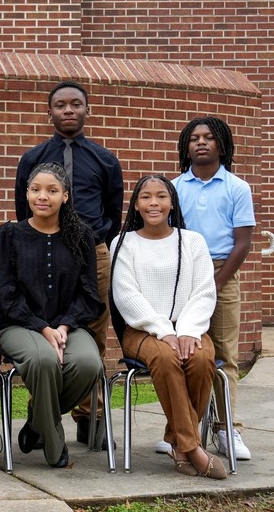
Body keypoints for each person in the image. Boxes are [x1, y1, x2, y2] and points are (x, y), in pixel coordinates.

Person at [14, 81, 123, 449]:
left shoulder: (105, 159)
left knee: (91, 333)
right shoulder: (33, 159)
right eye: (60, 105)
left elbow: (113, 212)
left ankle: (87, 416)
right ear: (50, 113)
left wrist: (94, 237)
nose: (68, 110)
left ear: (87, 110)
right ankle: (42, 412)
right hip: (42, 251)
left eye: (76, 104)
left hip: (91, 255)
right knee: (44, 335)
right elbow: (22, 208)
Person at [110, 175, 226, 479]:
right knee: (165, 356)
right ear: (136, 205)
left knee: (201, 358)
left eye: (161, 196)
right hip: (142, 330)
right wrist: (165, 331)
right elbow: (127, 296)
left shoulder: (193, 241)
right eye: (146, 197)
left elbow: (204, 291)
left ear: (171, 202)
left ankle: (177, 443)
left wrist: (187, 330)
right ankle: (193, 448)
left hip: (191, 326)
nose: (154, 203)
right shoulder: (124, 244)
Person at [0, 162, 103, 468]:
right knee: (43, 360)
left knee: (88, 362)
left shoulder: (81, 235)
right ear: (27, 194)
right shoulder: (9, 235)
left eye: (52, 191)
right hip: (20, 325)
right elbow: (7, 296)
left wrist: (65, 327)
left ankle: (37, 423)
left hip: (70, 324)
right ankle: (54, 447)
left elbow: (89, 295)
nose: (43, 196)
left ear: (65, 196)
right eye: (35, 190)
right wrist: (44, 329)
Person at [171, 116, 255, 461]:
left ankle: (226, 429)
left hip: (222, 271)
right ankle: (181, 430)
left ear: (221, 144)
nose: (201, 143)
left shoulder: (237, 187)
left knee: (224, 356)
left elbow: (244, 243)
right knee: (182, 353)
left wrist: (215, 285)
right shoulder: (174, 187)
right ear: (186, 147)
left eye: (208, 137)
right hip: (183, 272)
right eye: (194, 138)